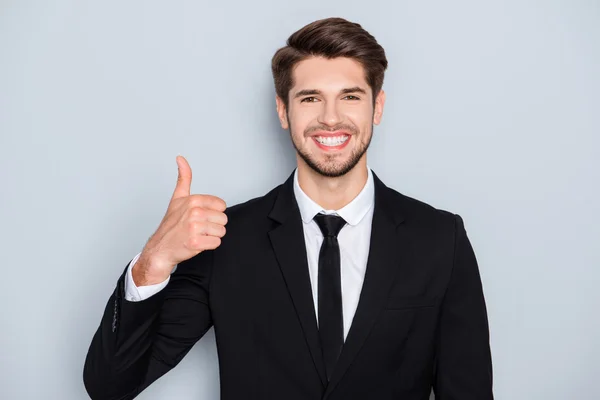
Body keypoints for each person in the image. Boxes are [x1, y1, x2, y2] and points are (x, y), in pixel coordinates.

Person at [83, 17, 493, 400]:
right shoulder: (226, 241)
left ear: (377, 107)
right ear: (284, 110)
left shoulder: (440, 239)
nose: (331, 119)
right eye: (311, 98)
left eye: (350, 97)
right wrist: (154, 259)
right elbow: (109, 386)